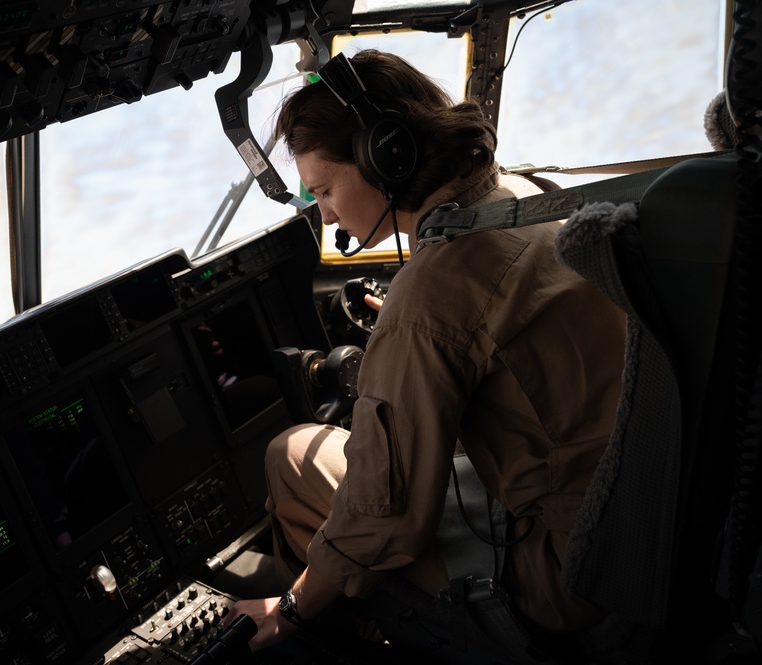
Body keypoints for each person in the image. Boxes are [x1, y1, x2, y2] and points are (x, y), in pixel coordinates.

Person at [224, 49, 627, 662]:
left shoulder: (433, 292)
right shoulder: (526, 195)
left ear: (383, 154)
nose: (325, 212)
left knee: (291, 458)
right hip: (631, 518)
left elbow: (384, 517)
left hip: (567, 574)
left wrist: (293, 609)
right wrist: (414, 330)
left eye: (326, 189)